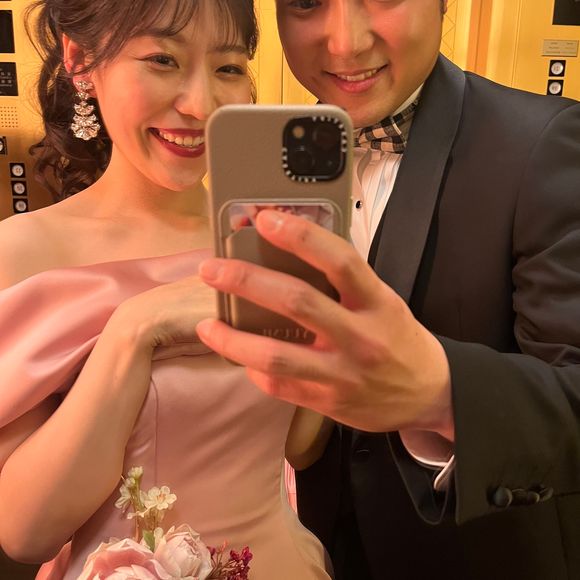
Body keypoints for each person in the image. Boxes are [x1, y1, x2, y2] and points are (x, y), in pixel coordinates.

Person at [195, 0, 580, 579]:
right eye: (306, 2)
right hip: (321, 551)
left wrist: (441, 394)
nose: (345, 43)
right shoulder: (275, 156)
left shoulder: (545, 142)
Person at [0, 1, 332, 578]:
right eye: (162, 59)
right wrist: (136, 330)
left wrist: (325, 311)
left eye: (228, 68)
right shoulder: (24, 254)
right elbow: (26, 532)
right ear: (80, 61)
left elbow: (300, 445)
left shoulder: (268, 234)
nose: (201, 104)